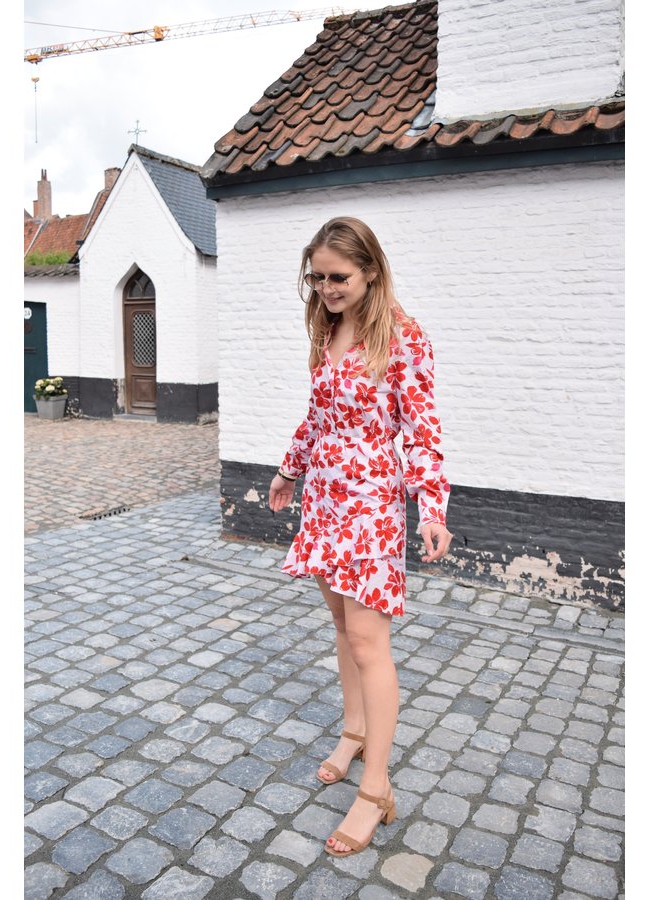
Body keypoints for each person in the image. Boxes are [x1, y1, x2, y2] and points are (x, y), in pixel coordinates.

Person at [268, 217, 453, 858]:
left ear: (371, 270)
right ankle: (353, 731)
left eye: (338, 277)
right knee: (343, 630)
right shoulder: (326, 329)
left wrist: (432, 508)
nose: (326, 288)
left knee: (371, 643)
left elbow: (424, 432)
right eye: (317, 277)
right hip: (322, 499)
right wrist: (290, 468)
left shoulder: (404, 338)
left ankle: (376, 789)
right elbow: (317, 413)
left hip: (372, 509)